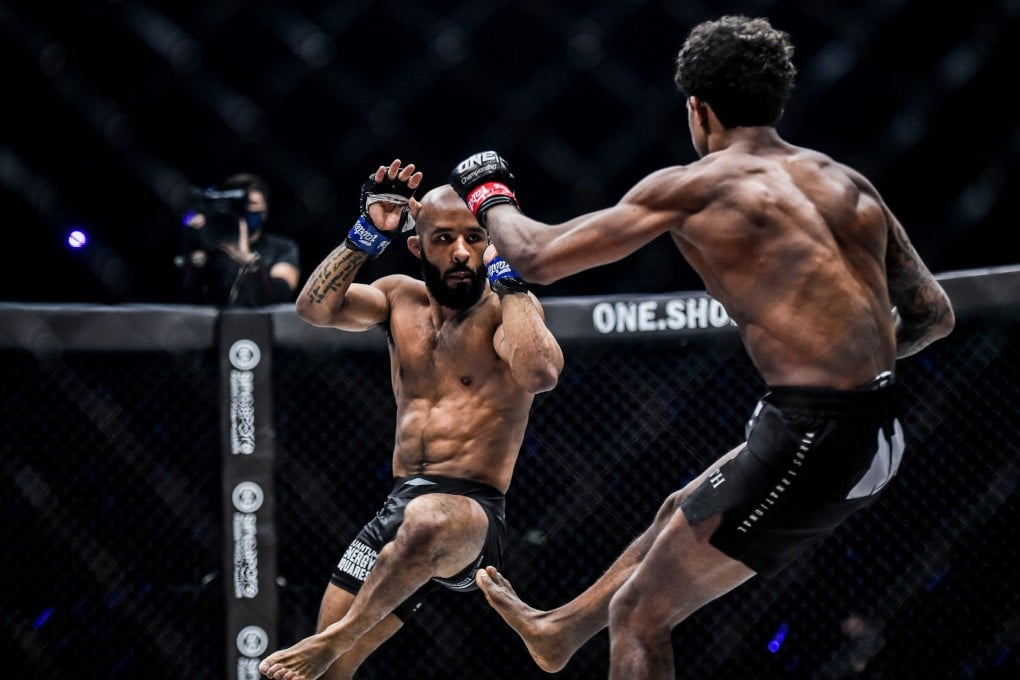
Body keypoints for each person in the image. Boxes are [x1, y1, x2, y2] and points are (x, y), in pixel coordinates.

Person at [447, 14, 955, 680]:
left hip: (814, 433)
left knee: (640, 615)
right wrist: (856, 373)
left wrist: (487, 190)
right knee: (678, 513)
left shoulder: (697, 187)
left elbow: (536, 255)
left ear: (699, 109)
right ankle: (560, 631)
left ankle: (574, 630)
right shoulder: (848, 184)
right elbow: (933, 315)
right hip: (876, 422)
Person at [258, 159, 564, 680]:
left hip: (472, 511)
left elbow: (540, 373)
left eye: (475, 236)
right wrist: (365, 236)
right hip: (397, 504)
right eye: (444, 238)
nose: (463, 251)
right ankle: (335, 645)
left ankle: (333, 638)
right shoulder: (399, 298)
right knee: (329, 676)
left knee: (426, 521)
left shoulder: (505, 308)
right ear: (417, 245)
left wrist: (511, 279)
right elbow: (314, 309)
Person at [177, 172, 300, 306]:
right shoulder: (211, 243)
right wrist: (195, 245)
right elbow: (189, 300)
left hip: (261, 325)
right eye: (239, 205)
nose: (245, 210)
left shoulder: (282, 248)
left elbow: (280, 297)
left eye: (252, 203)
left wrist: (248, 260)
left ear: (265, 210)